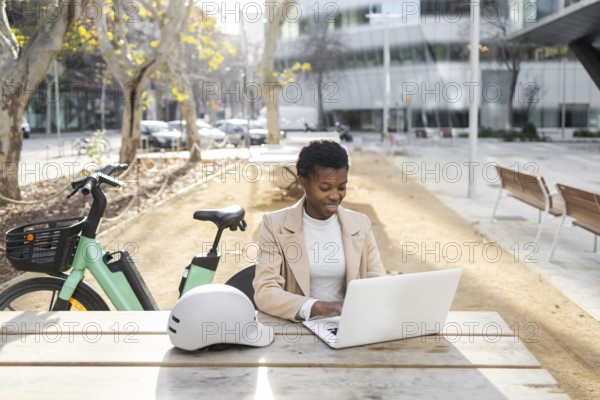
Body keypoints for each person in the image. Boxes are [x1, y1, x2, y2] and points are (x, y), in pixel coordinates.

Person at [253, 140, 386, 321]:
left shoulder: (360, 225)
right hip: (298, 331)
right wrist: (317, 307)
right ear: (303, 182)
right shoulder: (275, 225)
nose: (335, 195)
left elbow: (377, 282)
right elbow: (265, 292)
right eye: (325, 188)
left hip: (349, 326)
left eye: (341, 187)